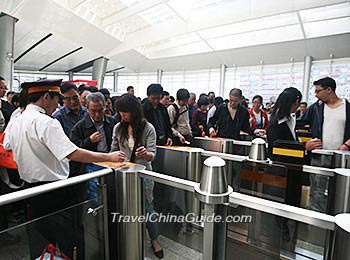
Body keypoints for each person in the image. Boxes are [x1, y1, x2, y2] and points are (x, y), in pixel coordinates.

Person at [4, 79, 126, 259]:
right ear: (46, 97)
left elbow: (7, 145)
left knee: (40, 241)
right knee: (71, 240)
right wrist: (108, 157)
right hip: (56, 192)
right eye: (56, 100)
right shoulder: (47, 122)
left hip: (30, 191)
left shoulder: (17, 120)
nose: (58, 105)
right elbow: (73, 153)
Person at [111, 94, 163, 259]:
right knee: (125, 206)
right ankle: (129, 238)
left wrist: (146, 154)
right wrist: (114, 156)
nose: (122, 115)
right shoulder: (118, 128)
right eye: (120, 112)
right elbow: (113, 149)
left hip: (143, 174)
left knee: (147, 207)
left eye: (125, 112)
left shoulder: (148, 128)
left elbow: (153, 154)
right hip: (124, 174)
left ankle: (154, 240)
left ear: (134, 111)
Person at [70, 92, 117, 175]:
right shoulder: (79, 127)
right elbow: (74, 151)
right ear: (87, 109)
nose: (97, 114)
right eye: (93, 111)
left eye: (100, 110)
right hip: (89, 166)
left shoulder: (112, 122)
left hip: (111, 162)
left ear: (105, 107)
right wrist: (89, 141)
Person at [297, 77, 350, 150]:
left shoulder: (347, 107)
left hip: (342, 154)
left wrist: (347, 145)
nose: (316, 95)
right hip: (319, 154)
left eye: (318, 91)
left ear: (329, 90)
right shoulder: (315, 108)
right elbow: (298, 123)